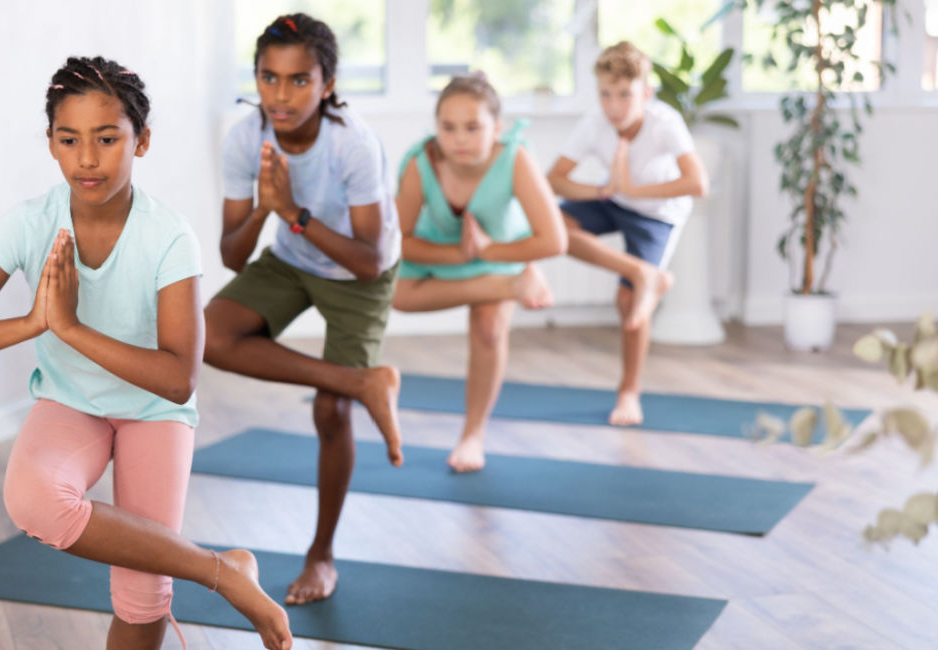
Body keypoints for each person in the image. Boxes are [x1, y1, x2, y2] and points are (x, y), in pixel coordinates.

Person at [0, 56, 292, 650]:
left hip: (153, 412)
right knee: (35, 499)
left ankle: (209, 576)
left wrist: (67, 327)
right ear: (51, 144)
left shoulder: (168, 236)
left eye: (107, 138)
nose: (87, 158)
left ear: (141, 141)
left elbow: (178, 380)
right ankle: (225, 572)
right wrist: (35, 321)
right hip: (72, 405)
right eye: (70, 139)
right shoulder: (28, 223)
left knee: (141, 605)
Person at [203, 13, 402, 606]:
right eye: (268, 78)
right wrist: (266, 210)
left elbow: (369, 261)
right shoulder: (245, 137)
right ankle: (363, 381)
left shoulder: (353, 144)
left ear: (328, 83)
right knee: (208, 336)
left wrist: (291, 211)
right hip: (293, 259)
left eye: (297, 80)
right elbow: (232, 256)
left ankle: (322, 555)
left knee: (330, 415)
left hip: (357, 273)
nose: (280, 95)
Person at [391, 73, 567, 472]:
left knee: (488, 328)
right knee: (397, 296)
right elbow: (395, 240)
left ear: (496, 128)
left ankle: (473, 435)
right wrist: (456, 255)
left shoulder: (515, 157)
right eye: (448, 128)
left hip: (504, 252)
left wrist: (488, 250)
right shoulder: (422, 163)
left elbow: (554, 240)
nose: (459, 139)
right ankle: (512, 285)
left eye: (473, 127)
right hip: (439, 252)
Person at [546, 41, 708, 426]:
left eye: (624, 95)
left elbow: (696, 183)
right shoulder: (594, 123)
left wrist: (632, 189)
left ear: (645, 94)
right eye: (605, 94)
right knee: (553, 226)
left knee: (627, 304)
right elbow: (554, 179)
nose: (614, 105)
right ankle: (642, 275)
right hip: (614, 200)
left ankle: (628, 394)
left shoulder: (665, 122)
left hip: (657, 214)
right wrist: (602, 191)